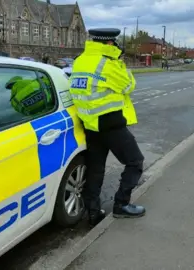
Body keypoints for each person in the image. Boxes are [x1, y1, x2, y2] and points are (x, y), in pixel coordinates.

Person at [69, 28, 146, 226]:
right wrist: (119, 62)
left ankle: (93, 213)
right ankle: (121, 205)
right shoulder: (108, 64)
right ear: (110, 44)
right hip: (110, 123)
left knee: (96, 169)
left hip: (90, 124)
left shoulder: (80, 60)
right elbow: (129, 85)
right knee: (135, 162)